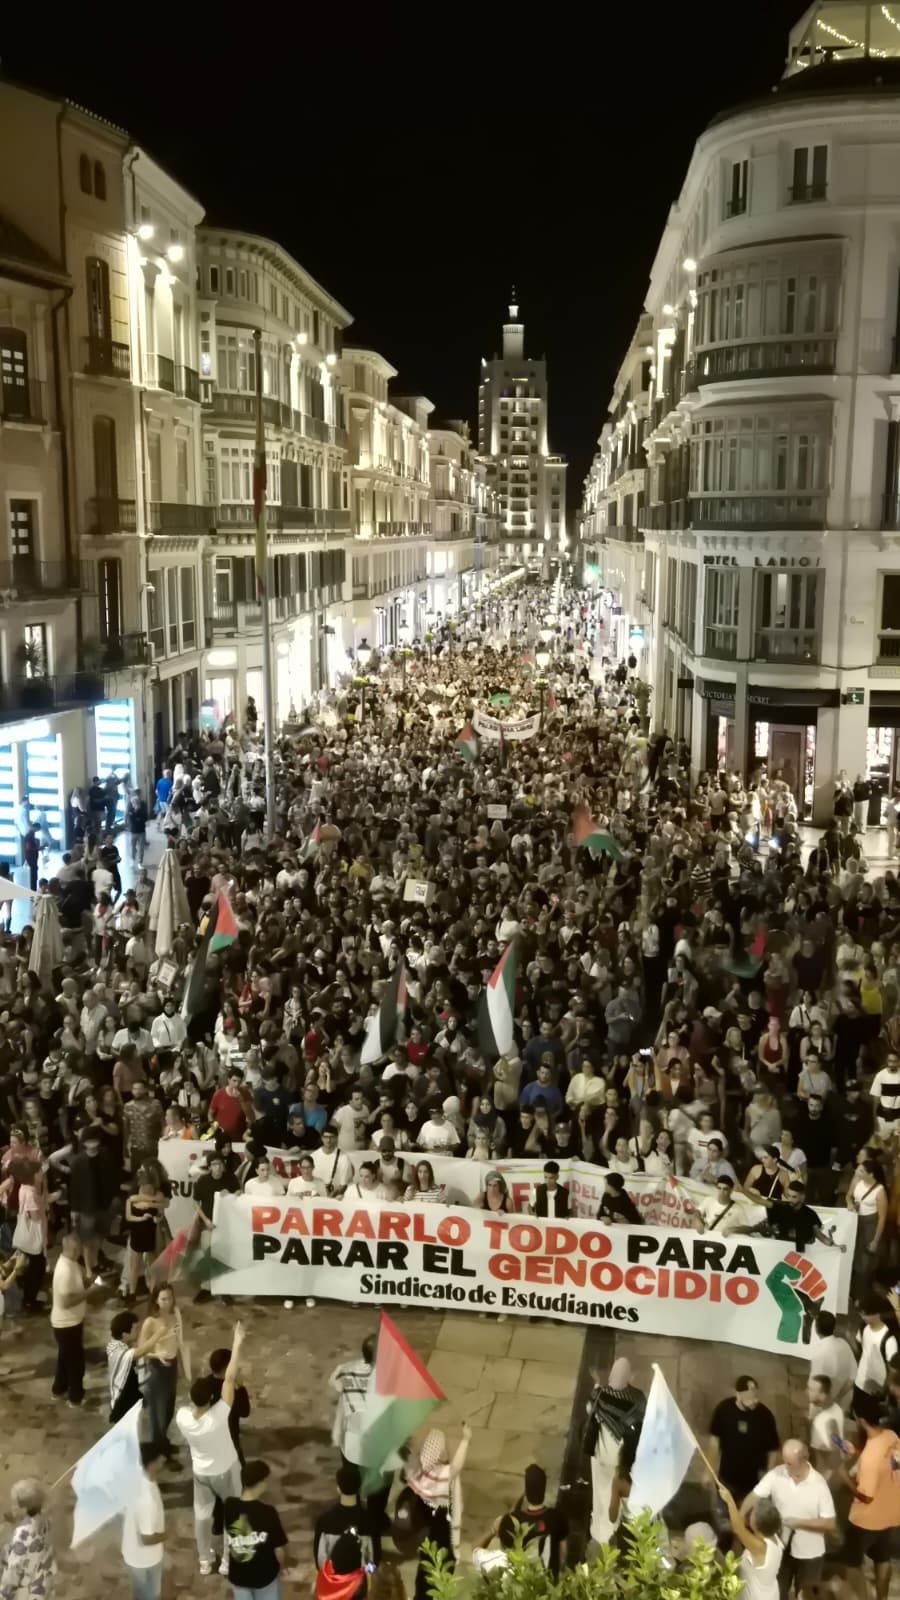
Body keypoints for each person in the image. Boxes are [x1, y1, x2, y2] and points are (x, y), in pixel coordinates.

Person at [176, 1320, 245, 1576]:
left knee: (202, 1518)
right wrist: (237, 1342)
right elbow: (229, 1378)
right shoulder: (219, 1416)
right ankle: (228, 1561)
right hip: (226, 1470)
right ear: (210, 1399)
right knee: (232, 1514)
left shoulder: (183, 1417)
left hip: (201, 1473)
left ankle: (204, 1560)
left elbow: (224, 1379)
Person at [741, 1441, 835, 1600]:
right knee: (778, 1591)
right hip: (782, 1549)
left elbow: (829, 1523)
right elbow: (755, 1495)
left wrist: (797, 1523)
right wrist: (741, 1515)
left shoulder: (819, 1485)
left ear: (803, 1460)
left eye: (789, 1463)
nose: (785, 1466)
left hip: (810, 1554)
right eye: (784, 1460)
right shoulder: (777, 1474)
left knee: (806, 1595)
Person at [841, 1388, 900, 1600]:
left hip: (867, 1520)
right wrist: (857, 1453)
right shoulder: (892, 1436)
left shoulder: (871, 1459)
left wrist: (844, 1478)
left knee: (852, 1563)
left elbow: (865, 1497)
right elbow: (894, 1466)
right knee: (882, 1557)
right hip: (892, 1513)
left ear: (861, 1419)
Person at [405, 1425, 471, 1600]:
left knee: (424, 1570)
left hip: (425, 1537)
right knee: (442, 1573)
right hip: (442, 1535)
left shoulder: (419, 1473)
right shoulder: (442, 1475)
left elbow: (410, 1461)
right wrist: (465, 1439)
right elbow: (457, 1466)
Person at [479, 1463, 569, 1574]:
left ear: (526, 1491)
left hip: (519, 1584)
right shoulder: (557, 1517)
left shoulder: (509, 1522)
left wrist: (492, 1530)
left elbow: (476, 1550)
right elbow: (563, 1553)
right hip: (548, 1582)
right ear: (544, 1490)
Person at [708, 1376, 780, 1506]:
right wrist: (709, 1471)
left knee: (750, 1518)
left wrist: (769, 1477)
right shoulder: (724, 1410)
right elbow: (714, 1441)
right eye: (749, 1394)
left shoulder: (765, 1415)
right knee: (725, 1516)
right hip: (727, 1477)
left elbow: (773, 1449)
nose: (753, 1399)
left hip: (754, 1480)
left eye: (754, 1393)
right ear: (738, 1394)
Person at [224, 1459, 290, 1600]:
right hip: (264, 1576)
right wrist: (282, 1568)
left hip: (239, 1575)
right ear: (261, 1483)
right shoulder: (268, 1512)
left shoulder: (229, 1507)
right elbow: (278, 1549)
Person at [717, 1484, 783, 1600]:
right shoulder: (774, 1538)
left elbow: (738, 1529)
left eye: (752, 1513)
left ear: (758, 1525)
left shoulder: (760, 1548)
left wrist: (729, 1501)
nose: (749, 1514)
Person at [121, 1441, 166, 1600]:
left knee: (139, 1594)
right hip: (146, 1560)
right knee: (151, 1596)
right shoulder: (147, 1500)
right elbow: (147, 1538)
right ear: (152, 1464)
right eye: (160, 1459)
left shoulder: (137, 1479)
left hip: (132, 1553)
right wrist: (167, 1535)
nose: (164, 1460)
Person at [314, 1463, 379, 1571]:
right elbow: (375, 1560)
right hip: (359, 1581)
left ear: (338, 1489)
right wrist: (365, 1573)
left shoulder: (325, 1521)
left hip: (334, 1582)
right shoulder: (369, 1521)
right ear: (359, 1488)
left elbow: (320, 1559)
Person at [0, 1479, 56, 1599]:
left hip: (23, 1593)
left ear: (24, 1508)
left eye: (15, 1504)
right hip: (39, 1588)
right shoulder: (44, 1524)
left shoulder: (23, 1533)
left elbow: (14, 1572)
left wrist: (3, 1596)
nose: (12, 1507)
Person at [50, 1232, 86, 1406]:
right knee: (75, 1363)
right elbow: (65, 1302)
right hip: (67, 1324)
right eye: (78, 1248)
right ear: (72, 1249)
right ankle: (75, 1397)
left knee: (65, 1358)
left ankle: (59, 1389)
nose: (81, 1251)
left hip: (70, 1322)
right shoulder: (64, 1270)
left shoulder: (70, 1262)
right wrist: (89, 1292)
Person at [807, 1312, 856, 1410]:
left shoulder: (818, 1353)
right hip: (843, 1402)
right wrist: (838, 1398)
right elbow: (852, 1378)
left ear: (816, 1329)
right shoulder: (844, 1344)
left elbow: (815, 1385)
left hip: (824, 1404)